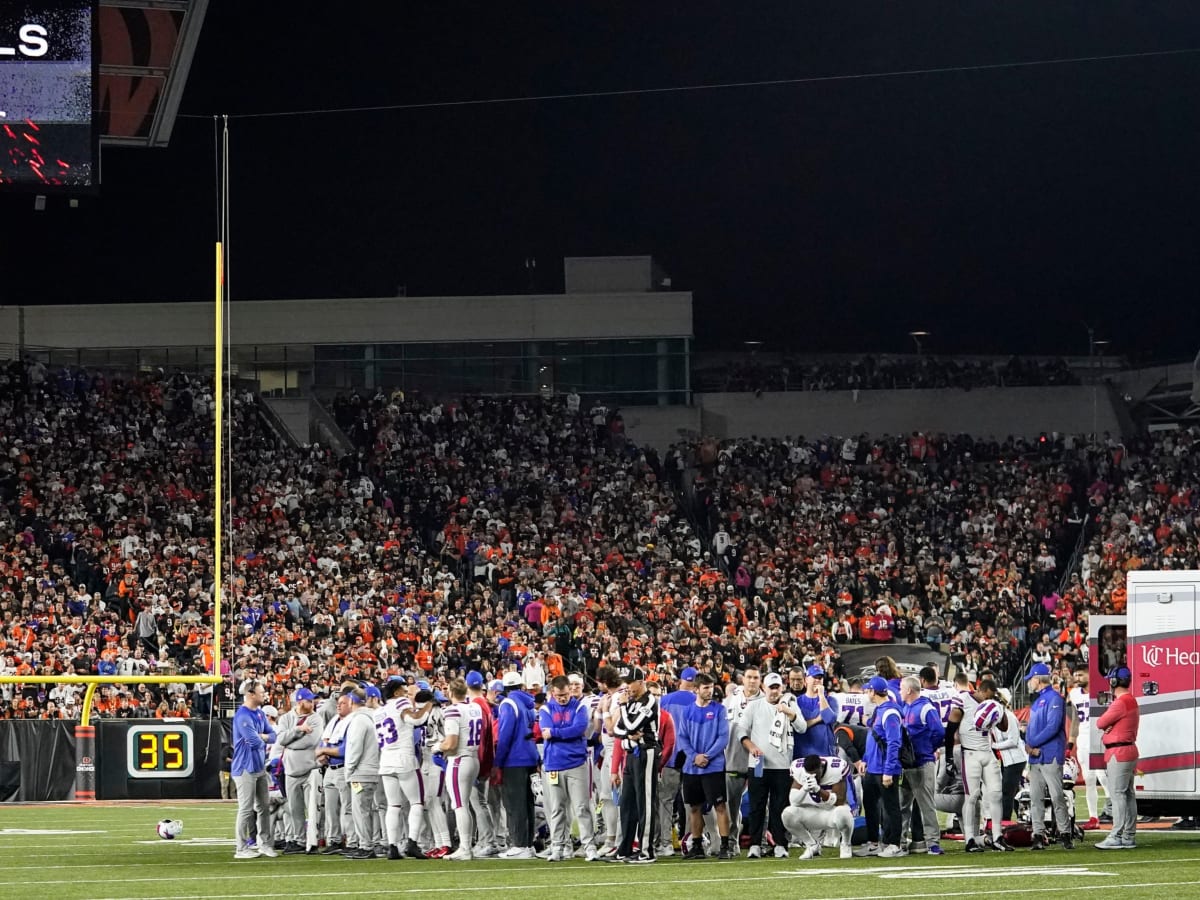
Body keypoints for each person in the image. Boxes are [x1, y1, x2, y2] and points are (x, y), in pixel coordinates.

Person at [738, 671, 805, 858]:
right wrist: (751, 746)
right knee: (756, 806)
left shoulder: (791, 704)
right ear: (764, 688)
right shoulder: (754, 706)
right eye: (771, 688)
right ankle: (754, 844)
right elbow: (741, 731)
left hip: (782, 766)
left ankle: (780, 844)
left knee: (779, 807)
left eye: (777, 688)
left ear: (781, 688)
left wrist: (789, 712)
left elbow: (802, 727)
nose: (774, 692)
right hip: (759, 764)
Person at [949, 678, 1013, 853]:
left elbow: (1004, 727)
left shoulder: (992, 703)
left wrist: (1000, 707)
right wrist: (949, 755)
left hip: (987, 752)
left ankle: (998, 836)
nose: (988, 700)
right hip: (969, 753)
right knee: (972, 796)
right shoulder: (962, 699)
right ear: (983, 691)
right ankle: (969, 839)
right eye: (989, 696)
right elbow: (951, 727)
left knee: (996, 795)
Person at [675, 672, 734, 860]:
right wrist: (694, 756)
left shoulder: (719, 709)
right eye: (706, 688)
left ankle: (725, 846)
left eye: (711, 687)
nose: (710, 691)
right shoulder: (687, 711)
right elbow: (682, 737)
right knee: (694, 807)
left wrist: (706, 756)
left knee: (720, 806)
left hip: (713, 766)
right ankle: (697, 846)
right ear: (696, 689)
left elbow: (723, 737)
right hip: (692, 767)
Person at [538, 674, 596, 861]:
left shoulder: (579, 706)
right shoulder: (546, 709)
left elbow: (579, 728)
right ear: (552, 693)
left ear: (569, 691)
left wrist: (555, 732)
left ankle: (589, 847)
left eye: (564, 694)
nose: (562, 698)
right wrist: (563, 732)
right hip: (554, 764)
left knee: (582, 807)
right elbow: (544, 730)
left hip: (576, 763)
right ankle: (558, 847)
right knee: (557, 809)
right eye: (558, 695)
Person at [610, 666, 662, 864]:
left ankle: (646, 850)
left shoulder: (649, 700)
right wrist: (627, 734)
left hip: (646, 752)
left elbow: (631, 725)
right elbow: (617, 729)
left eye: (630, 682)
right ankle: (625, 848)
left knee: (645, 803)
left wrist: (624, 712)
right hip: (632, 754)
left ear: (641, 682)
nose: (627, 687)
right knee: (628, 803)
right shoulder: (632, 702)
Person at [1024, 663, 1073, 850]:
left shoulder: (1054, 699)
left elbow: (1052, 727)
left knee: (1056, 795)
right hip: (1038, 755)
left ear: (1037, 679)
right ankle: (1039, 833)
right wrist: (1030, 745)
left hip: (1049, 753)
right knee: (1036, 797)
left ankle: (1065, 832)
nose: (1029, 683)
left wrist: (1032, 744)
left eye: (1031, 679)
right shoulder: (1041, 700)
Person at [857, 676, 903, 858]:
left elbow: (894, 743)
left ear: (873, 691)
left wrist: (889, 770)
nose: (866, 692)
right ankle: (874, 842)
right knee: (870, 806)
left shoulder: (890, 712)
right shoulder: (881, 710)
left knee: (891, 807)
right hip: (873, 767)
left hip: (884, 768)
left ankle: (894, 844)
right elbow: (873, 739)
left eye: (868, 689)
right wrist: (866, 759)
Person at [495, 669, 539, 859]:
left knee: (515, 803)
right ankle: (528, 843)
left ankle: (519, 844)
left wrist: (498, 761)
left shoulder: (508, 703)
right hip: (530, 755)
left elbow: (505, 734)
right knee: (528, 803)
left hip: (514, 759)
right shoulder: (528, 704)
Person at [275, 686, 324, 854]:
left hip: (311, 769)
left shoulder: (316, 718)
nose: (312, 703)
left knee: (313, 808)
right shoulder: (286, 718)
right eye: (309, 701)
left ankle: (314, 840)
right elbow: (280, 739)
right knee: (295, 809)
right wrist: (298, 729)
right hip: (291, 770)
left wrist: (290, 742)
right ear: (300, 701)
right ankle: (299, 840)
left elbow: (311, 741)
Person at [899, 674, 945, 855]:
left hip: (922, 763)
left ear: (909, 690)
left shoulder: (925, 707)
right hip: (907, 764)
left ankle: (933, 842)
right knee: (903, 804)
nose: (900, 691)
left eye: (902, 688)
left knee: (926, 804)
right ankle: (900, 841)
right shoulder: (906, 707)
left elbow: (939, 731)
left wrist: (928, 748)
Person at [232, 679, 278, 860]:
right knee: (245, 808)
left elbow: (273, 736)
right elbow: (254, 741)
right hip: (245, 767)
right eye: (261, 692)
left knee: (264, 807)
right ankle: (241, 847)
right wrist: (264, 737)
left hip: (258, 766)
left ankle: (264, 844)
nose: (264, 695)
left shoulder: (259, 713)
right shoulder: (242, 715)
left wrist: (263, 736)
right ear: (251, 695)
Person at [1095, 666, 1139, 850]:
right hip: (1128, 751)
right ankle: (1128, 835)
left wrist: (1109, 729)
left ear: (1114, 682)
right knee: (1128, 794)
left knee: (1118, 794)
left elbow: (1100, 722)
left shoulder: (1120, 703)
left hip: (1118, 753)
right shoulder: (1131, 701)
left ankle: (1117, 835)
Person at [440, 678, 484, 861]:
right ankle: (467, 845)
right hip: (473, 758)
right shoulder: (475, 707)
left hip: (459, 759)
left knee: (459, 805)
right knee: (464, 805)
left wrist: (437, 746)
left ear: (450, 692)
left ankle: (465, 848)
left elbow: (451, 742)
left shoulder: (453, 710)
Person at [657, 665, 698, 857]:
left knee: (665, 801)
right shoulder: (700, 701)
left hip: (669, 757)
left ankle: (665, 842)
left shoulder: (665, 700)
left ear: (680, 680)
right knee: (692, 802)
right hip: (692, 758)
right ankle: (691, 840)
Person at [782, 754, 856, 860]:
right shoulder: (798, 769)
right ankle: (811, 845)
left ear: (821, 767)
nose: (813, 776)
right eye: (809, 773)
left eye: (815, 774)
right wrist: (804, 789)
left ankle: (845, 844)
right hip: (811, 812)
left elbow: (839, 801)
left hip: (831, 813)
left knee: (843, 813)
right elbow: (793, 802)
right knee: (787, 814)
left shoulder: (836, 768)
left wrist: (818, 790)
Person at [723, 667, 763, 846]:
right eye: (749, 677)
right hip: (733, 757)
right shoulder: (731, 699)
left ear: (760, 680)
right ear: (743, 679)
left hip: (759, 758)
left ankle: (760, 841)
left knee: (761, 803)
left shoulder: (766, 700)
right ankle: (732, 842)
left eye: (756, 677)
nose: (752, 681)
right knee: (732, 803)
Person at [343, 684, 382, 858]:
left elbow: (354, 748)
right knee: (370, 809)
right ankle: (372, 842)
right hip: (375, 770)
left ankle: (365, 845)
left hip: (360, 773)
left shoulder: (358, 720)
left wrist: (348, 771)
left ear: (352, 701)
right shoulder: (374, 717)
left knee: (360, 810)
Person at [315, 687, 354, 855]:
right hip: (330, 768)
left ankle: (352, 841)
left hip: (343, 767)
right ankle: (334, 840)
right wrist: (321, 754)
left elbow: (345, 750)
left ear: (351, 705)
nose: (339, 706)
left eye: (343, 703)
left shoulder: (353, 721)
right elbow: (324, 740)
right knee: (330, 808)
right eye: (338, 703)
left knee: (347, 807)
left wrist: (324, 752)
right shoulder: (335, 720)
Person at [1068, 668, 1105, 830]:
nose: (1077, 677)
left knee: (1103, 776)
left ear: (1090, 675)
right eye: (1075, 675)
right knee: (1089, 779)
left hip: (1100, 737)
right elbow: (1075, 719)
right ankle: (1093, 817)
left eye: (1080, 674)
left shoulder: (1101, 691)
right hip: (1083, 739)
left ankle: (1116, 812)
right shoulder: (1075, 693)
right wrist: (1071, 743)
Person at [991, 688, 1027, 823]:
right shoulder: (996, 718)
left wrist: (994, 746)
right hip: (1008, 760)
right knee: (1014, 791)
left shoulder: (1009, 717)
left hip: (1016, 759)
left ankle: (1005, 820)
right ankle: (1022, 816)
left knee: (1007, 791)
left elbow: (1013, 741)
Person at [793, 665, 840, 758]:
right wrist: (818, 719)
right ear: (806, 679)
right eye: (814, 677)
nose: (818, 680)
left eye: (820, 678)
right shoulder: (796, 701)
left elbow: (829, 719)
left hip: (825, 752)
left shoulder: (830, 700)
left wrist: (821, 696)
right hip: (802, 752)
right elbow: (797, 727)